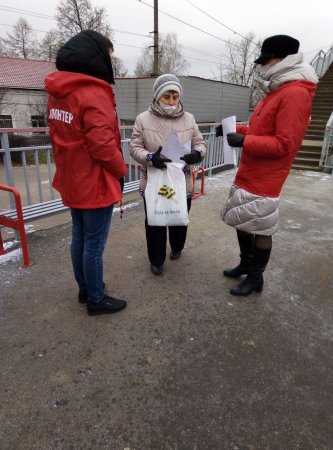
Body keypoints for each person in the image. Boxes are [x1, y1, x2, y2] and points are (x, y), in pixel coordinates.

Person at [216, 35, 318, 296]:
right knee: (243, 220)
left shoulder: (294, 93)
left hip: (267, 175)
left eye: (267, 60)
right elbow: (259, 128)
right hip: (251, 169)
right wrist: (232, 129)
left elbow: (285, 145)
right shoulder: (277, 90)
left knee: (260, 226)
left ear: (284, 60)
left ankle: (255, 278)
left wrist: (245, 140)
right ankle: (245, 264)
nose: (262, 66)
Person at [45, 30, 128, 315]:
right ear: (98, 55)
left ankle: (85, 289)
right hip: (94, 182)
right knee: (93, 243)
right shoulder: (93, 92)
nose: (110, 62)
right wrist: (121, 170)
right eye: (109, 56)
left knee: (80, 237)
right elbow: (103, 146)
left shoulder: (59, 92)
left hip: (72, 179)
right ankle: (96, 298)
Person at [130, 74, 207, 275]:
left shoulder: (188, 118)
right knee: (155, 220)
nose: (172, 101)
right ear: (157, 97)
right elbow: (134, 147)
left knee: (179, 214)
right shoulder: (143, 119)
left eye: (175, 96)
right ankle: (156, 259)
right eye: (167, 97)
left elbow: (200, 142)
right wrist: (149, 157)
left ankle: (177, 246)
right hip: (154, 179)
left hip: (181, 180)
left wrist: (197, 153)